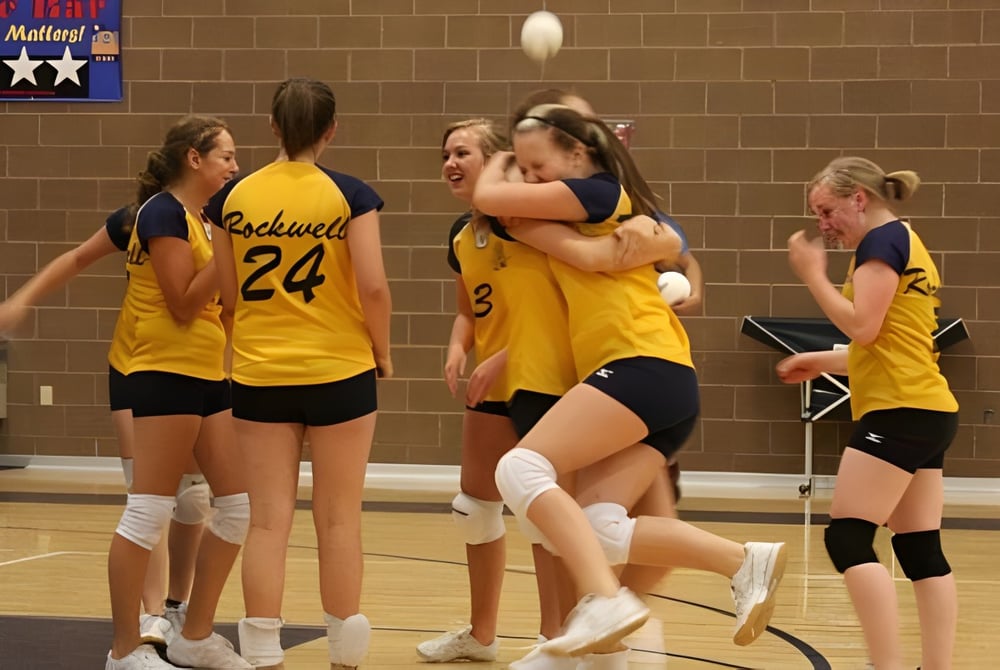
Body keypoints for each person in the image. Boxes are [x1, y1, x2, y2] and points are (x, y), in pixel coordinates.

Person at [472, 102, 787, 658]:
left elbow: (493, 200)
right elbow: (587, 251)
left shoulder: (596, 192)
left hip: (641, 364)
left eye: (539, 166)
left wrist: (499, 162)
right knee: (599, 526)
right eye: (526, 168)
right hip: (661, 376)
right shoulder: (594, 213)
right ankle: (743, 561)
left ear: (578, 153)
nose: (533, 179)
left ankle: (605, 600)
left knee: (519, 468)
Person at [418, 119, 679, 666]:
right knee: (474, 508)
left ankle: (557, 635)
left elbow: (570, 301)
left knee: (552, 514)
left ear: (500, 164)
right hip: (496, 383)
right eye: (445, 154)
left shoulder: (536, 220)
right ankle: (482, 634)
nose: (450, 164)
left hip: (554, 377)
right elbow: (471, 307)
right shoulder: (464, 236)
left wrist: (508, 353)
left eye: (462, 153)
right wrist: (459, 346)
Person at [211, 77, 391, 670]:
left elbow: (228, 294)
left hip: (261, 372)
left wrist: (243, 345)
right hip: (340, 370)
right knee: (339, 518)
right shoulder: (351, 195)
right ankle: (344, 655)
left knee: (267, 522)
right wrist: (383, 351)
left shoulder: (232, 198)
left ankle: (264, 652)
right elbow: (373, 287)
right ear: (331, 129)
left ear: (272, 127)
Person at [776, 157, 959, 670]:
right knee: (919, 547)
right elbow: (890, 342)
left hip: (899, 411)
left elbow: (863, 327)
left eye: (827, 210)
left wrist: (813, 275)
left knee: (848, 537)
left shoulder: (879, 244)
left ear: (859, 198)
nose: (823, 225)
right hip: (926, 409)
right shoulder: (905, 239)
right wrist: (824, 361)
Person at [0, 207, 210, 647]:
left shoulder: (224, 217)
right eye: (223, 164)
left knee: (193, 497)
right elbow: (78, 257)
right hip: (138, 365)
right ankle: (152, 615)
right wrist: (21, 299)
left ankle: (178, 605)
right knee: (148, 496)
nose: (232, 172)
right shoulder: (142, 218)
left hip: (201, 366)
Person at [105, 115, 250, 670]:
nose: (235, 166)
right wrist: (228, 250)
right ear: (194, 158)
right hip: (164, 373)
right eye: (226, 157)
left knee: (235, 509)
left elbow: (221, 305)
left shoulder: (204, 221)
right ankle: (124, 648)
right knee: (148, 511)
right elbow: (184, 303)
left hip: (208, 376)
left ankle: (194, 635)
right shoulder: (163, 213)